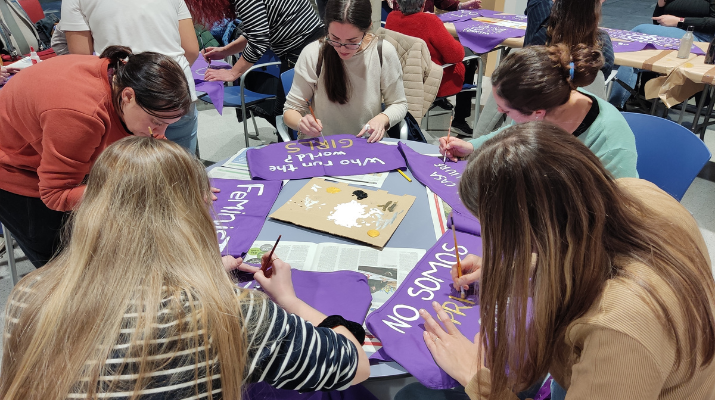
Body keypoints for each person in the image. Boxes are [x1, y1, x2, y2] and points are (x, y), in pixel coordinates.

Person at [0, 137, 370, 399]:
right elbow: (352, 364)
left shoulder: (30, 292)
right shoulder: (225, 313)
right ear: (191, 214)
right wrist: (289, 300)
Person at [406, 121, 715, 400]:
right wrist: (515, 269)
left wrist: (476, 378)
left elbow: (616, 317)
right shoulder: (636, 193)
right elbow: (587, 248)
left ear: (531, 233)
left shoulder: (617, 328)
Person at [0, 46, 192, 268]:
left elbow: (155, 138)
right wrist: (133, 188)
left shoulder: (123, 79)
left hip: (60, 152)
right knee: (66, 268)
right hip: (16, 171)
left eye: (168, 124)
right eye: (157, 122)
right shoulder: (81, 115)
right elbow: (56, 194)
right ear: (128, 96)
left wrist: (184, 179)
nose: (160, 133)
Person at [442, 44, 638, 179]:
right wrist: (473, 147)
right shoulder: (548, 99)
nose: (499, 111)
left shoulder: (610, 142)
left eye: (506, 110)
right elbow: (511, 133)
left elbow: (617, 210)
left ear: (538, 114)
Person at [61, 0, 201, 154]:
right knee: (183, 170)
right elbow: (191, 49)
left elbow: (81, 59)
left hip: (127, 102)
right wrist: (165, 80)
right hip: (177, 93)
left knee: (130, 172)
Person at [476, 0, 614, 136]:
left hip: (522, 133)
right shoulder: (602, 45)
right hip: (576, 134)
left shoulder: (540, 34)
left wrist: (476, 141)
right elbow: (597, 79)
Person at [283, 0, 408, 142]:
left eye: (352, 41)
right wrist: (301, 123)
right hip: (323, 145)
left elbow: (399, 103)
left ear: (367, 28)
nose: (342, 48)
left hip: (366, 143)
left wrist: (383, 118)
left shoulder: (382, 52)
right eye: (334, 38)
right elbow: (290, 110)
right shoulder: (313, 53)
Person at [386, 0, 478, 135]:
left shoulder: (391, 18)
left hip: (401, 76)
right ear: (423, 4)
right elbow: (456, 55)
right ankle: (460, 119)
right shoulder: (430, 21)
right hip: (433, 81)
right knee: (470, 61)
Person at [609, 0, 715, 108]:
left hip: (700, 37)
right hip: (671, 34)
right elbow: (658, 21)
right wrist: (661, 4)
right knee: (628, 57)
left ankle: (614, 104)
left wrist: (681, 21)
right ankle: (615, 102)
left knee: (637, 33)